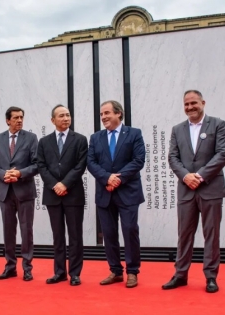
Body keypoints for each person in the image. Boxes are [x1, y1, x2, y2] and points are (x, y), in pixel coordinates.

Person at [163, 90, 225, 293]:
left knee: (212, 234)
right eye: (186, 104)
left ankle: (211, 277)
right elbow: (173, 157)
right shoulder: (177, 129)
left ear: (203, 102)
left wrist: (199, 176)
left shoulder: (218, 124)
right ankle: (180, 274)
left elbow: (222, 154)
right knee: (184, 234)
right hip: (186, 190)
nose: (190, 107)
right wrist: (186, 176)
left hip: (210, 188)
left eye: (194, 103)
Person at [87, 100, 145, 288]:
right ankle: (115, 270)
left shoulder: (134, 134)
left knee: (129, 231)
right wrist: (107, 178)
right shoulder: (96, 138)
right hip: (105, 192)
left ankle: (132, 271)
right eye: (101, 114)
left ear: (119, 113)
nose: (103, 117)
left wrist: (118, 179)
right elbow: (91, 162)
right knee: (109, 234)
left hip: (128, 192)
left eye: (106, 113)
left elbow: (138, 160)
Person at [37, 105, 88, 286]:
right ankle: (59, 272)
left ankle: (75, 273)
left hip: (73, 194)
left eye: (68, 115)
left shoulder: (80, 140)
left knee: (75, 235)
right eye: (61, 116)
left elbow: (80, 166)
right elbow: (41, 166)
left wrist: (65, 184)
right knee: (57, 236)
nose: (66, 118)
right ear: (53, 120)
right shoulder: (44, 142)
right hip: (53, 195)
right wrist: (54, 185)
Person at [0, 106, 39, 281]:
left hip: (24, 191)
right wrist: (4, 174)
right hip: (5, 192)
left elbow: (36, 164)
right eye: (16, 118)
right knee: (8, 231)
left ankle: (27, 267)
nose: (19, 120)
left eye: (21, 117)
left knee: (27, 231)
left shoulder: (31, 138)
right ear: (7, 120)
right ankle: (10, 266)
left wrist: (19, 173)